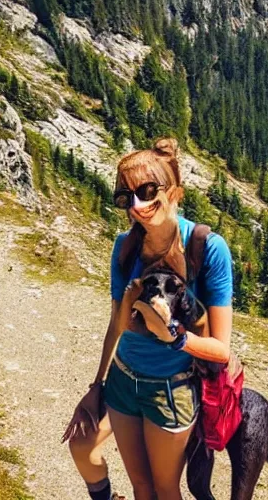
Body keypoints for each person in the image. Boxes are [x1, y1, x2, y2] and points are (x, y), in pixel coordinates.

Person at [62, 138, 233, 500]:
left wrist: (174, 336)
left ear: (175, 192)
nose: (137, 205)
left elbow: (220, 350)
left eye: (147, 190)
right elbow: (116, 326)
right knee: (141, 487)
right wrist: (97, 386)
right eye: (126, 197)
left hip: (171, 389)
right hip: (124, 382)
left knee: (164, 488)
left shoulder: (207, 247)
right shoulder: (125, 246)